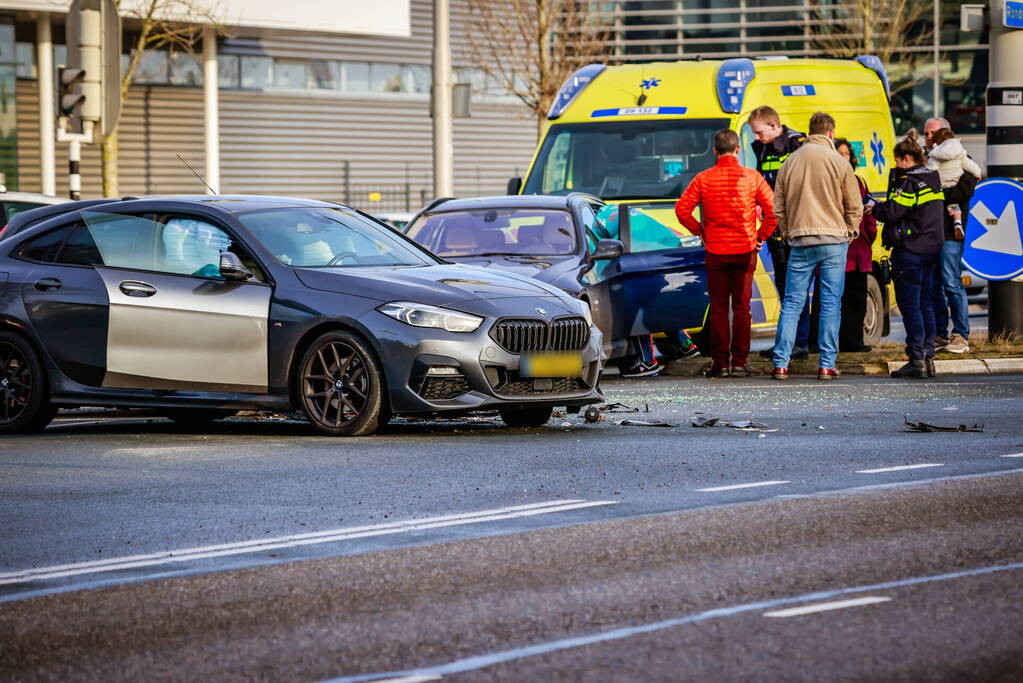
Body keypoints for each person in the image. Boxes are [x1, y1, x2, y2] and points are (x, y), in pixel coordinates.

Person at [675, 128, 776, 378]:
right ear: (738, 149)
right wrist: (761, 236)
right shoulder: (752, 178)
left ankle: (720, 363)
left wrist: (701, 231)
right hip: (745, 250)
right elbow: (774, 210)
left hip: (716, 251)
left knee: (719, 308)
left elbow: (682, 210)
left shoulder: (703, 179)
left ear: (714, 151)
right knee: (742, 307)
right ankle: (740, 362)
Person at [770, 112, 863, 381]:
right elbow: (854, 205)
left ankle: (781, 363)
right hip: (834, 241)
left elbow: (779, 206)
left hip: (800, 241)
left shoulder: (790, 162)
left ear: (810, 132)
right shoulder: (840, 162)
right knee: (831, 304)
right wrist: (850, 231)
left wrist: (789, 233)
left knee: (792, 303)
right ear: (831, 133)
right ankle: (826, 364)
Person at [593, 204, 700, 377]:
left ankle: (646, 362)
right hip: (656, 264)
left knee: (637, 314)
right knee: (653, 309)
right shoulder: (634, 216)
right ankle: (685, 345)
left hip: (636, 268)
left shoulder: (605, 220)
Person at [869, 135, 945, 379]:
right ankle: (929, 357)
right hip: (931, 249)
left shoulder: (909, 182)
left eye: (897, 160)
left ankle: (916, 359)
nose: (896, 164)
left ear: (907, 159)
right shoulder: (932, 180)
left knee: (911, 306)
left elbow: (892, 211)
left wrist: (875, 208)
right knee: (926, 304)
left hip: (910, 250)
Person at [748, 105, 813, 360]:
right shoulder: (764, 147)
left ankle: (799, 343)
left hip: (793, 225)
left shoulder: (796, 144)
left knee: (795, 287)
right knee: (785, 285)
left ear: (774, 125)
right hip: (775, 225)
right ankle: (789, 341)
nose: (756, 137)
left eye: (758, 131)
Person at [920, 127, 980, 354]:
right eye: (926, 133)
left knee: (951, 282)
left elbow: (962, 192)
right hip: (930, 233)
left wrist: (937, 193)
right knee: (933, 284)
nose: (928, 137)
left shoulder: (963, 158)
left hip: (950, 234)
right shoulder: (929, 161)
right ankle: (939, 333)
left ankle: (961, 334)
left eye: (932, 133)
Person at [834, 138, 878, 352]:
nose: (844, 157)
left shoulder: (859, 181)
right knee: (838, 300)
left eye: (846, 154)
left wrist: (868, 236)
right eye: (839, 153)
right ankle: (840, 341)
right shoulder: (830, 181)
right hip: (839, 248)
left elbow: (869, 211)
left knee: (858, 297)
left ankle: (855, 341)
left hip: (859, 250)